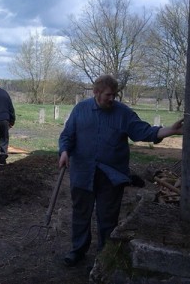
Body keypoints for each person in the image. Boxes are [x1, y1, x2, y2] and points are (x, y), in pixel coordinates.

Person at [58, 74, 183, 267]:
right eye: (108, 95)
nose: (112, 99)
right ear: (96, 93)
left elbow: (144, 131)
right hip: (83, 172)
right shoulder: (80, 110)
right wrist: (64, 152)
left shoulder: (123, 113)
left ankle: (105, 256)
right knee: (80, 214)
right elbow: (67, 135)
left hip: (111, 176)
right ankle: (78, 250)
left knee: (107, 218)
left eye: (114, 95)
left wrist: (170, 130)